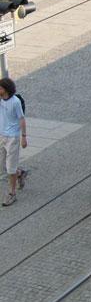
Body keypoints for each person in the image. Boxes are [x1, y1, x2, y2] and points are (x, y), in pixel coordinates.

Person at [0, 78, 27, 207]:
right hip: (1, 136)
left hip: (13, 138)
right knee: (3, 166)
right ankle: (20, 173)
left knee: (10, 168)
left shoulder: (15, 102)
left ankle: (11, 193)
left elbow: (21, 119)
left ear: (6, 89)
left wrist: (24, 137)